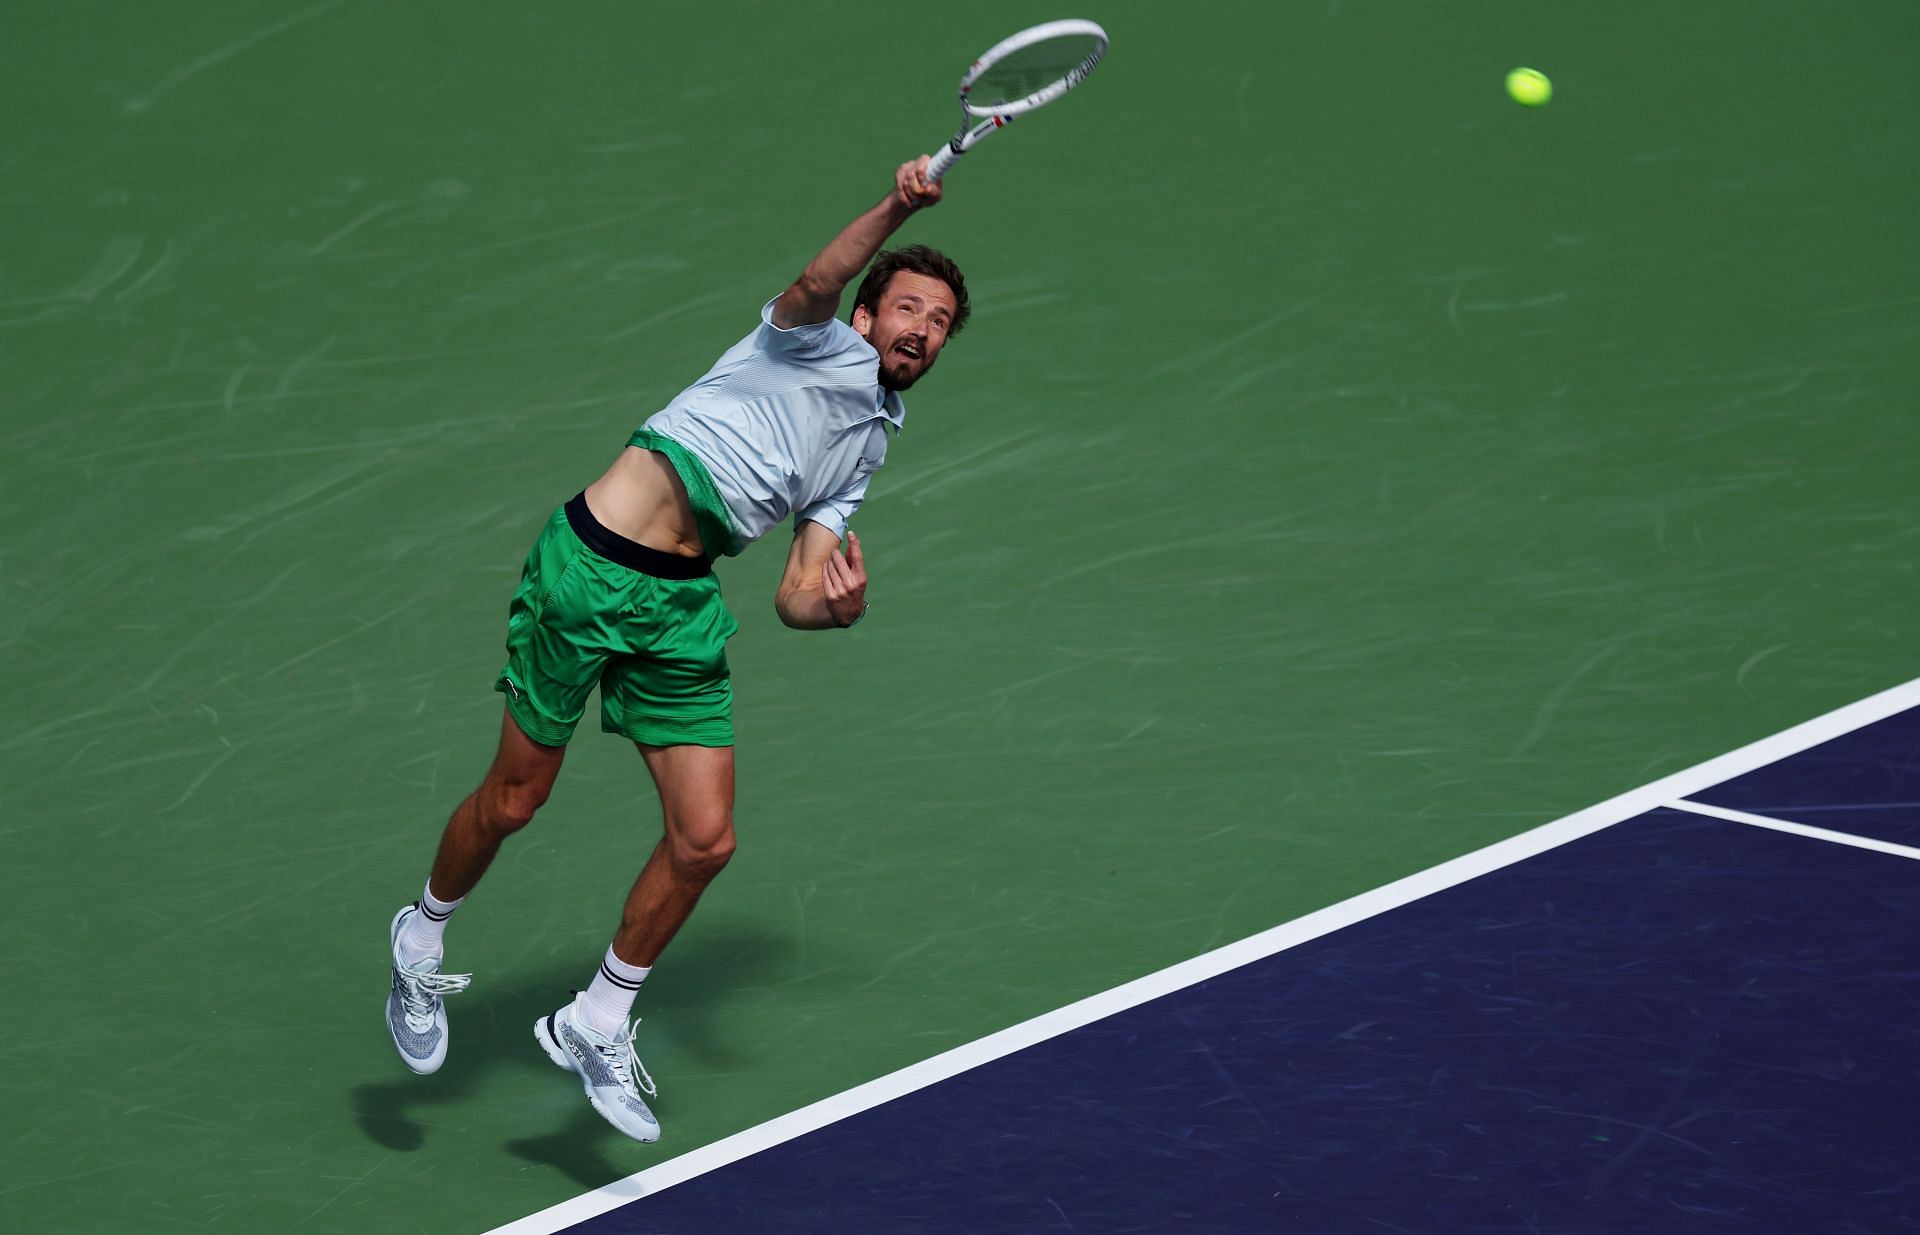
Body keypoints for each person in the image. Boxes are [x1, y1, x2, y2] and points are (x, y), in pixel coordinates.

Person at [383, 155, 968, 1143]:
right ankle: (420, 933)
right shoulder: (804, 339)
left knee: (707, 839)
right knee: (515, 798)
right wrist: (895, 203)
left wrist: (844, 608)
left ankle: (596, 1018)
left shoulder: (866, 447)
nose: (922, 329)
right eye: (909, 307)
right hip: (590, 568)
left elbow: (793, 596)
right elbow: (820, 278)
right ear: (868, 318)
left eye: (941, 323)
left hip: (683, 606)